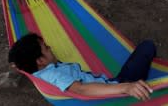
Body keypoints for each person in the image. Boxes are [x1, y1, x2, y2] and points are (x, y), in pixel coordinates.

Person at [8, 33, 155, 101]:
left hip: (110, 86)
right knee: (147, 46)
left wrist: (17, 62)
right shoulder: (52, 75)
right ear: (40, 60)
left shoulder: (39, 72)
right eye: (46, 48)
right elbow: (80, 89)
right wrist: (126, 87)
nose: (50, 48)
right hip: (115, 91)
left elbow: (18, 61)